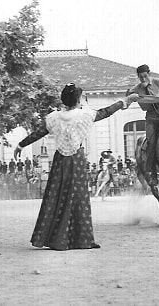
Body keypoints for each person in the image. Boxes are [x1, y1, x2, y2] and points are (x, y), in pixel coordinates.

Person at [14, 83, 139, 250]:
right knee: (79, 197)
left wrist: (20, 146)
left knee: (56, 196)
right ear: (78, 99)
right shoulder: (84, 115)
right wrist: (125, 101)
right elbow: (106, 112)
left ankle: (50, 237)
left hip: (60, 159)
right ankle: (82, 239)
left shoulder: (54, 118)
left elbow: (38, 133)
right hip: (77, 158)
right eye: (81, 97)